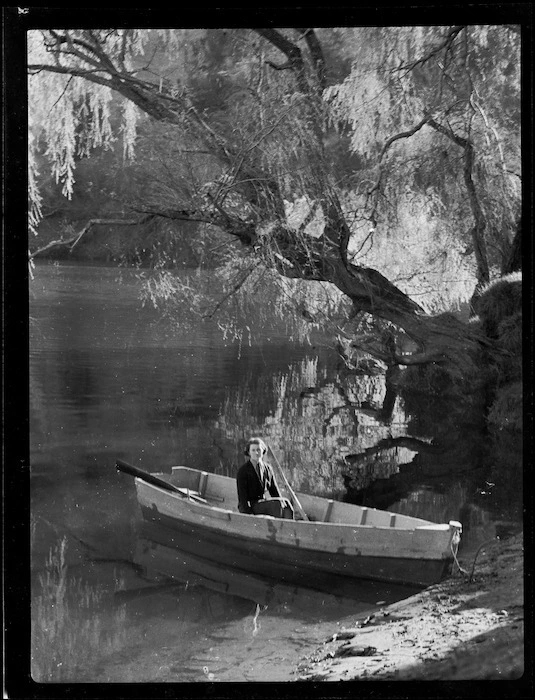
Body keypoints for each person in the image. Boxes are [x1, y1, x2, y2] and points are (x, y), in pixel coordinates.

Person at [236, 437, 294, 519]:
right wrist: (249, 515)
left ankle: (290, 526)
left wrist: (282, 501)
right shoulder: (243, 471)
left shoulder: (268, 468)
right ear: (248, 452)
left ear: (263, 451)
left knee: (286, 502)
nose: (256, 453)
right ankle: (278, 526)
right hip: (250, 506)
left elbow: (274, 491)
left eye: (258, 450)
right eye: (253, 450)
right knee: (277, 504)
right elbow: (242, 498)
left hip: (262, 504)